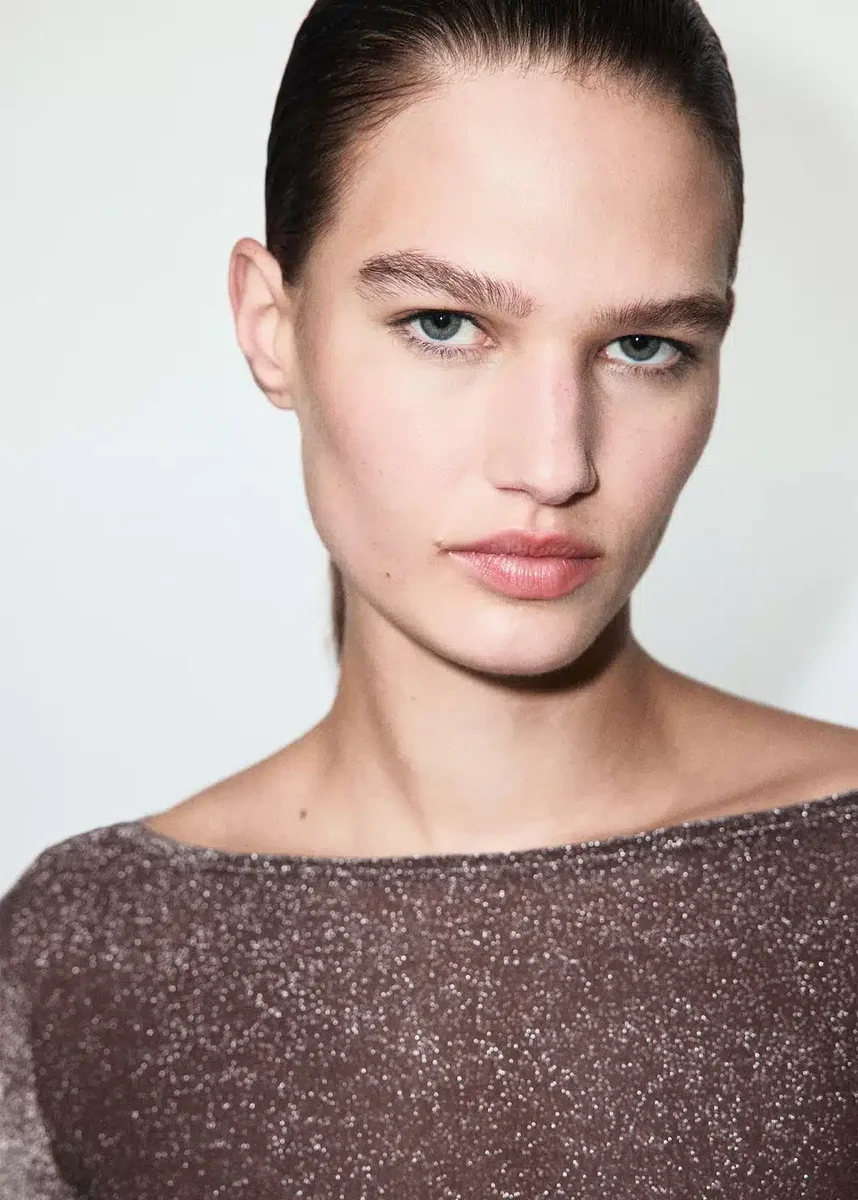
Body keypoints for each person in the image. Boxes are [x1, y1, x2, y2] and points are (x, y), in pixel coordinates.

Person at [2, 0, 858, 1194]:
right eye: (444, 324)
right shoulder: (85, 961)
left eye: (644, 347)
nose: (554, 463)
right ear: (272, 326)